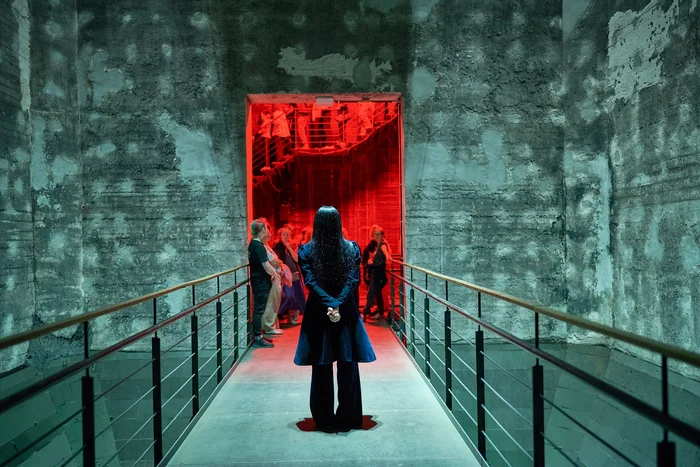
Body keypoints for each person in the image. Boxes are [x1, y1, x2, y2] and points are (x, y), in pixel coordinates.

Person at [294, 206, 376, 433]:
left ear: (317, 224)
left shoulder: (307, 250)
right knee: (347, 363)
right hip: (345, 310)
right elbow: (353, 280)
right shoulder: (351, 248)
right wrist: (338, 303)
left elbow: (310, 282)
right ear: (338, 223)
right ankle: (348, 417)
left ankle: (325, 419)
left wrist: (329, 303)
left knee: (322, 365)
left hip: (319, 312)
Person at [248, 219, 279, 348]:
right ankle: (258, 338)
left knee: (259, 309)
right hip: (261, 282)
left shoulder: (253, 245)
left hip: (258, 281)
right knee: (259, 310)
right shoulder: (258, 246)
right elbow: (266, 266)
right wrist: (276, 275)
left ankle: (259, 335)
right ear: (262, 230)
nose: (267, 231)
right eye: (266, 228)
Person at [275, 227, 306, 325]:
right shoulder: (277, 247)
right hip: (285, 277)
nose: (286, 236)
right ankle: (281, 314)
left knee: (297, 296)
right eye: (284, 234)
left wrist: (289, 248)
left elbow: (297, 259)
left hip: (295, 276)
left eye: (288, 234)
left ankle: (292, 316)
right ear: (279, 236)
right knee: (290, 296)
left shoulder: (292, 246)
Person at [261, 222, 285, 336]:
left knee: (275, 302)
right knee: (272, 302)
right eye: (268, 230)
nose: (270, 233)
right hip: (273, 277)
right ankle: (269, 327)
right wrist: (280, 262)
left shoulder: (267, 245)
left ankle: (271, 326)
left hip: (276, 277)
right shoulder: (263, 246)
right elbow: (273, 261)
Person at [363, 226, 391, 321]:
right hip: (376, 273)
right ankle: (381, 312)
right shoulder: (377, 246)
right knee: (377, 293)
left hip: (379, 274)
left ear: (382, 235)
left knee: (371, 294)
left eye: (379, 234)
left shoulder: (382, 244)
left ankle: (365, 313)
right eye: (375, 234)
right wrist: (371, 261)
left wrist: (388, 256)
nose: (377, 236)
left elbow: (385, 251)